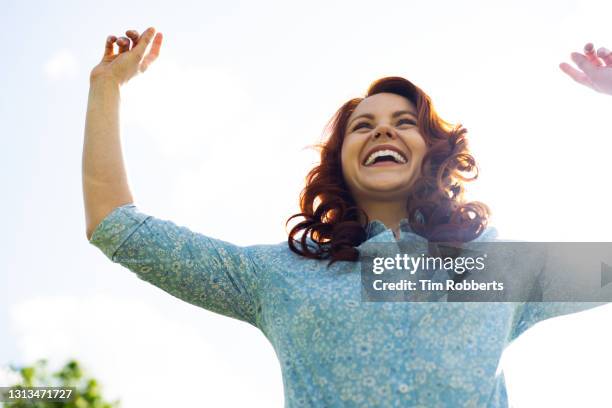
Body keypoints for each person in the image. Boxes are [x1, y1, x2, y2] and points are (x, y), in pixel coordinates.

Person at [82, 27, 612, 407]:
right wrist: (106, 86)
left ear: (433, 153)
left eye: (404, 122)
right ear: (340, 161)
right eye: (363, 126)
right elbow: (117, 226)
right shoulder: (280, 276)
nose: (383, 131)